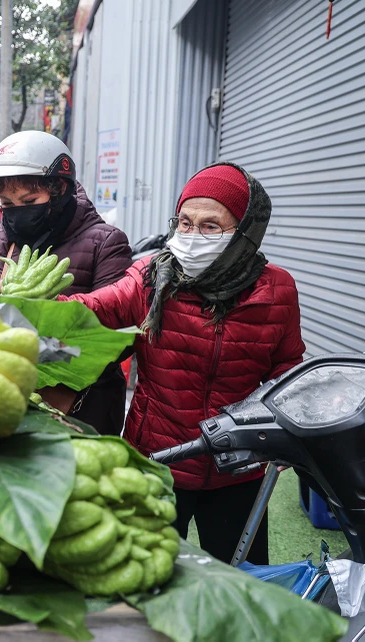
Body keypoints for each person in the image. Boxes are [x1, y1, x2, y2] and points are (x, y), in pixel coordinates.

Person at [67, 163, 304, 564]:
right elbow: (92, 310)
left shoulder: (277, 289)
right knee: (143, 577)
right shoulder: (150, 279)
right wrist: (29, 309)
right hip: (158, 461)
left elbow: (286, 367)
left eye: (211, 227)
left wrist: (283, 433)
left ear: (245, 232)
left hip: (237, 468)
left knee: (241, 583)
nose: (192, 237)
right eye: (185, 223)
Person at [0, 131, 133, 435]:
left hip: (82, 414)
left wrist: (31, 324)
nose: (17, 212)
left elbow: (116, 342)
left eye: (29, 201)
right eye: (7, 203)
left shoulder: (105, 243)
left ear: (58, 189)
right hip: (7, 403)